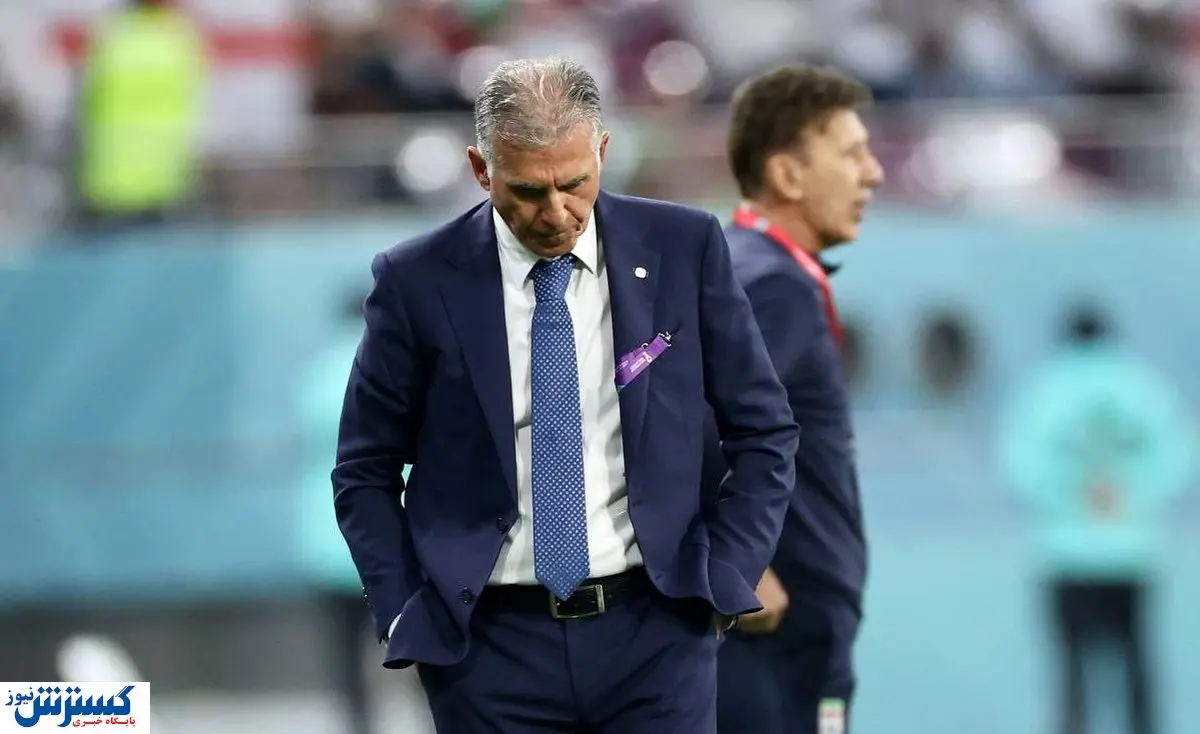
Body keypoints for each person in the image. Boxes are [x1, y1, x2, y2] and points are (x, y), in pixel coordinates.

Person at [333, 56, 800, 734]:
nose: (556, 213)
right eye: (528, 191)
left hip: (659, 632)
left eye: (575, 183)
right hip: (488, 652)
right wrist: (404, 605)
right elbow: (363, 469)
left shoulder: (684, 247)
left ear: (603, 152)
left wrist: (727, 569)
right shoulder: (416, 280)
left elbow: (764, 430)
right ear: (481, 169)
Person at [703, 64, 884, 734]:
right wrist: (732, 561)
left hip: (780, 637)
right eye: (852, 154)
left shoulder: (741, 265)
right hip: (775, 642)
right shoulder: (771, 284)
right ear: (788, 175)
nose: (873, 174)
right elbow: (679, 419)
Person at [997, 304, 1195, 734]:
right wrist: (1132, 492)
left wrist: (1072, 493)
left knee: (1073, 677)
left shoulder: (1048, 387)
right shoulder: (1142, 385)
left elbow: (1020, 461)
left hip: (1067, 554)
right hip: (1132, 551)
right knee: (1137, 673)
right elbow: (1177, 452)